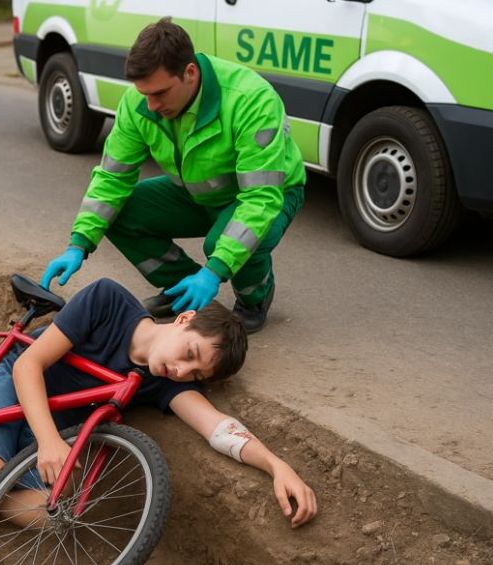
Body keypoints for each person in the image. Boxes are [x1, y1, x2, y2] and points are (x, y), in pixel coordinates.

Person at [0, 278, 317, 529]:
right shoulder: (108, 300)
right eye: (190, 354)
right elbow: (28, 367)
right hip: (14, 382)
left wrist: (277, 466)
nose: (183, 371)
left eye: (196, 374)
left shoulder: (160, 384)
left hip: (42, 431)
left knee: (49, 516)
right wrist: (46, 441)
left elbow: (218, 429)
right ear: (184, 319)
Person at [41, 17, 306, 334]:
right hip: (197, 191)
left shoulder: (251, 100)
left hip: (269, 193)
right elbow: (112, 178)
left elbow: (260, 199)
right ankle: (183, 289)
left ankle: (254, 298)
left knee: (224, 242)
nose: (150, 105)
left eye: (160, 93)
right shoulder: (140, 104)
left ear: (190, 73)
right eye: (144, 94)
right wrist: (78, 243)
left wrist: (215, 270)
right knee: (119, 212)